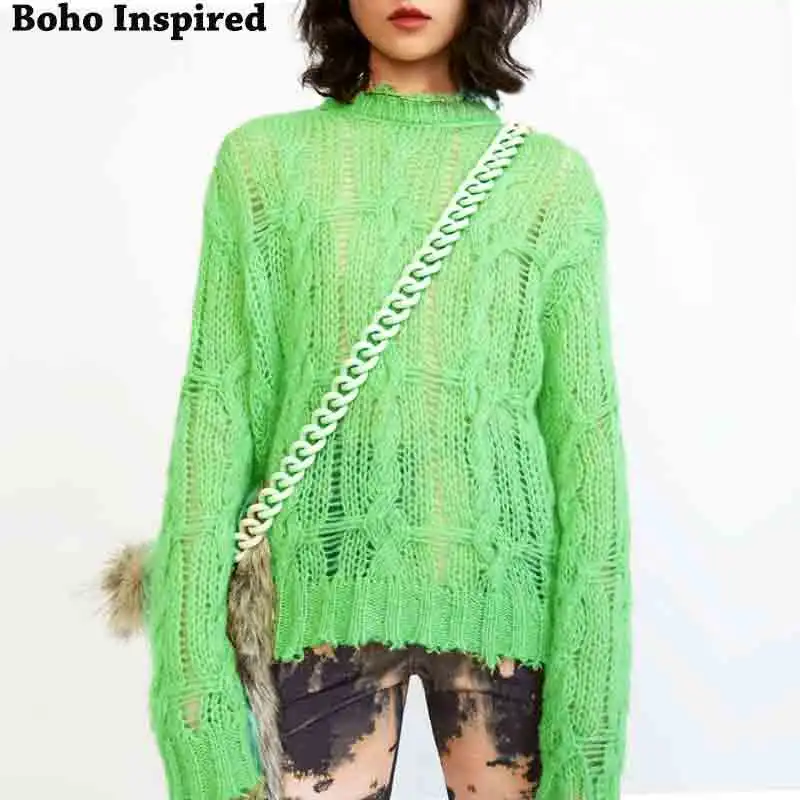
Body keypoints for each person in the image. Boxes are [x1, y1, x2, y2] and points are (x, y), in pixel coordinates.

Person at [100, 1, 633, 798]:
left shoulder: (550, 183)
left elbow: (586, 451)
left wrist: (590, 724)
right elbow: (218, 416)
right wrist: (193, 702)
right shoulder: (262, 165)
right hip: (314, 612)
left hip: (508, 616)